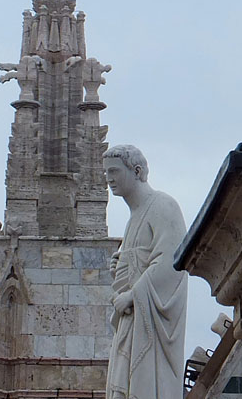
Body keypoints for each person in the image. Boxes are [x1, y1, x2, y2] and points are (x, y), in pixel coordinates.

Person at [103, 145, 187, 399]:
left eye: (114, 171)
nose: (109, 178)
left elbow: (171, 262)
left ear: (137, 171)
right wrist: (122, 265)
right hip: (131, 323)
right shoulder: (133, 218)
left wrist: (131, 296)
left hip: (149, 328)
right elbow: (143, 261)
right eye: (106, 172)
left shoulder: (163, 205)